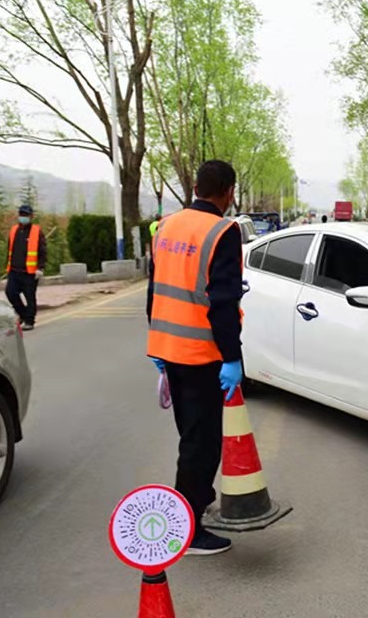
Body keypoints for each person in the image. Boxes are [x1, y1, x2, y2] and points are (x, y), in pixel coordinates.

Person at [146, 160, 244, 556]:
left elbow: (154, 287)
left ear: (196, 188)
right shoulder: (223, 231)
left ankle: (193, 506)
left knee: (191, 437)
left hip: (169, 350)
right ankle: (187, 530)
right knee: (202, 446)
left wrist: (156, 343)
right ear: (228, 192)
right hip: (201, 356)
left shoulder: (166, 226)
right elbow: (223, 302)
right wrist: (232, 357)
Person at [5, 204, 46, 331]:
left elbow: (43, 251)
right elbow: (9, 249)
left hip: (30, 272)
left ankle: (29, 321)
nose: (23, 217)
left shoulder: (36, 231)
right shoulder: (13, 230)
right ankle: (22, 314)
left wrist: (40, 267)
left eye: (26, 215)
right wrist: (8, 266)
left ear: (31, 216)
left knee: (30, 297)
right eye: (21, 214)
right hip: (14, 270)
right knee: (10, 293)